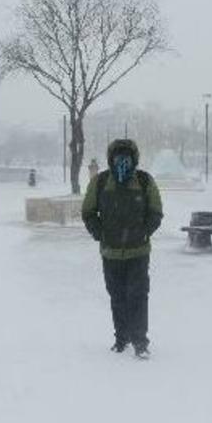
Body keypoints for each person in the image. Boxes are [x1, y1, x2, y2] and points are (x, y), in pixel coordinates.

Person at [82, 139, 163, 359]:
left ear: (134, 158)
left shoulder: (144, 181)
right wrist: (100, 233)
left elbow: (156, 211)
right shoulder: (100, 182)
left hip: (138, 252)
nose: (122, 161)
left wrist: (144, 231)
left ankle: (140, 341)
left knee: (138, 296)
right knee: (117, 296)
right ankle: (121, 338)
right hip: (110, 253)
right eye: (118, 157)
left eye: (127, 157)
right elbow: (88, 212)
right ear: (111, 158)